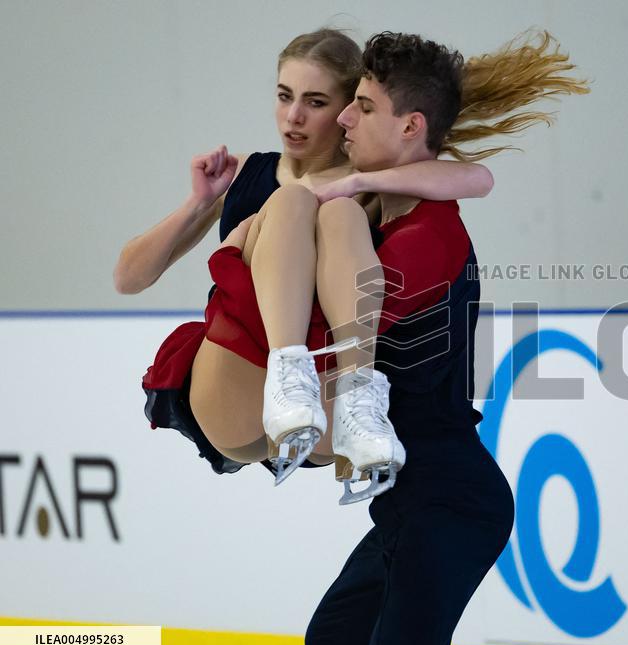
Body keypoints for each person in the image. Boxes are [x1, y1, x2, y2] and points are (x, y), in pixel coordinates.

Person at [301, 31, 588, 645]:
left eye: (365, 107)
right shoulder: (386, 219)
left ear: (410, 126)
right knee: (333, 643)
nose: (344, 117)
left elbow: (330, 337)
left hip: (452, 502)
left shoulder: (427, 239)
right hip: (409, 505)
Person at [119, 29, 496, 496]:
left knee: (320, 207)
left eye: (316, 102)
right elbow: (129, 278)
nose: (293, 116)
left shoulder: (373, 179)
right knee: (293, 201)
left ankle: (343, 393)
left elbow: (477, 178)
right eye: (284, 96)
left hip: (323, 400)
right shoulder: (246, 173)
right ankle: (290, 373)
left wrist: (350, 183)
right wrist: (198, 206)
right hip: (237, 386)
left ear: (346, 111)